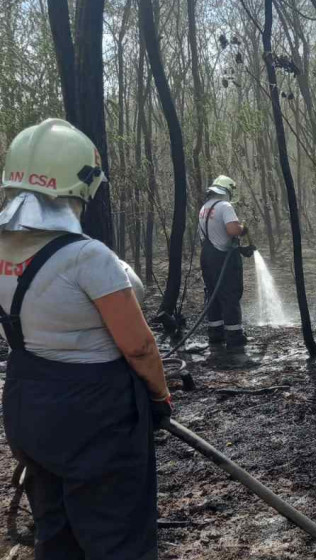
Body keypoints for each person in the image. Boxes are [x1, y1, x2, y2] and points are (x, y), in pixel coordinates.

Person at [0, 118, 171, 559]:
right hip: (96, 418)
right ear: (80, 185)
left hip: (28, 405)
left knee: (56, 534)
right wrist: (159, 397)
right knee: (117, 537)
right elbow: (138, 346)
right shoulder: (86, 256)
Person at [198, 175, 250, 355]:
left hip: (206, 256)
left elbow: (207, 235)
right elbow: (232, 230)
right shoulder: (225, 206)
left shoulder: (204, 208)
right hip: (222, 258)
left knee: (212, 294)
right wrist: (243, 228)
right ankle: (235, 337)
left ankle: (216, 334)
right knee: (230, 294)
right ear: (226, 191)